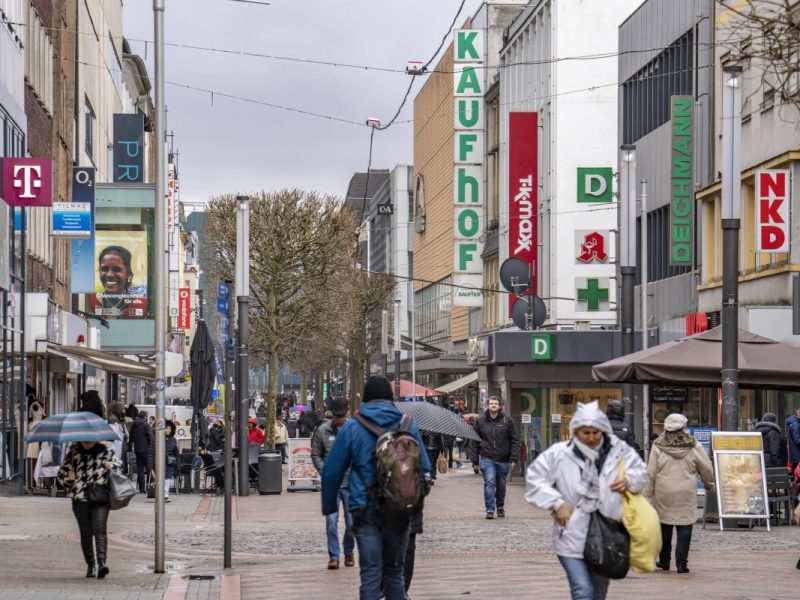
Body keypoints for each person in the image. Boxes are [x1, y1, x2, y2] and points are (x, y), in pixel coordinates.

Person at [321, 376, 432, 600]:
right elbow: (425, 468)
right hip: (399, 510)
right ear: (391, 398)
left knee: (371, 574)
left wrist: (328, 506)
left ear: (366, 398)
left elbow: (332, 472)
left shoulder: (352, 426)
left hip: (365, 509)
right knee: (394, 572)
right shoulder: (407, 424)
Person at [526, 400, 647, 600]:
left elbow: (641, 472)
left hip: (607, 534)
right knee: (582, 589)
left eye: (596, 433)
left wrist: (629, 480)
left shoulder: (618, 451)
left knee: (599, 592)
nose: (591, 437)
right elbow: (534, 478)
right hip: (570, 533)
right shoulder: (559, 453)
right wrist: (556, 503)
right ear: (575, 432)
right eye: (586, 433)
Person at [645, 413, 714, 574]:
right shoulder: (693, 444)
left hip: (664, 491)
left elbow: (650, 473)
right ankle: (682, 563)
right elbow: (706, 467)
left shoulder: (657, 445)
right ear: (684, 428)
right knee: (685, 524)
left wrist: (647, 495)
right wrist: (708, 483)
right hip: (686, 490)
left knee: (664, 524)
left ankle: (664, 560)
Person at [56, 440, 120, 578]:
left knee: (100, 529)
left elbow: (119, 468)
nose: (87, 442)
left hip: (100, 497)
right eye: (84, 439)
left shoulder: (106, 451)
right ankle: (91, 565)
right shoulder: (73, 453)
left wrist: (111, 466)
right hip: (80, 499)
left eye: (90, 440)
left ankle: (102, 564)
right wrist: (69, 478)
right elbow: (61, 475)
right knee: (85, 532)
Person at [311, 397, 355, 570]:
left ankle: (349, 551)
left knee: (352, 522)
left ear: (347, 413)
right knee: (331, 520)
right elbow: (315, 454)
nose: (340, 419)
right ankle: (334, 556)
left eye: (342, 416)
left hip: (351, 483)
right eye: (337, 416)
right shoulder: (322, 431)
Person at [470, 396, 520, 518]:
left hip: (503, 459)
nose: (493, 405)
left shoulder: (507, 421)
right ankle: (490, 510)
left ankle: (500, 507)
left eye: (495, 403)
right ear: (487, 405)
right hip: (487, 458)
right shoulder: (480, 422)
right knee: (490, 482)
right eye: (491, 403)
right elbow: (474, 441)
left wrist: (513, 458)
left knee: (501, 485)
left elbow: (515, 440)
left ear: (500, 406)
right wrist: (475, 460)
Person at [89, 245, 148, 319]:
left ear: (129, 275)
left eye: (117, 269)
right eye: (104, 269)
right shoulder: (92, 300)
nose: (110, 274)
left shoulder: (139, 304)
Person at [148, 419, 179, 502]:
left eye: (169, 428)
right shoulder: (156, 439)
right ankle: (161, 495)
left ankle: (165, 495)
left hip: (169, 463)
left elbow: (176, 454)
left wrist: (177, 465)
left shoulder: (173, 440)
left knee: (167, 480)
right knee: (159, 480)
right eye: (166, 428)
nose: (168, 430)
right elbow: (151, 453)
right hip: (158, 463)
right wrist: (151, 467)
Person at [128, 411, 153, 493]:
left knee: (140, 469)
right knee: (149, 468)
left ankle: (142, 488)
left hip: (137, 450)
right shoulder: (146, 425)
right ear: (145, 416)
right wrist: (151, 445)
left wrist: (131, 446)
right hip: (146, 450)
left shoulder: (133, 425)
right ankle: (150, 486)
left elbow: (130, 437)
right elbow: (150, 436)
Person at [786, 408, 800, 472]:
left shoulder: (795, 423)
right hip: (797, 456)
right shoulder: (796, 425)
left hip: (796, 455)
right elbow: (797, 441)